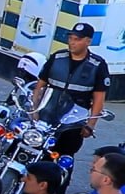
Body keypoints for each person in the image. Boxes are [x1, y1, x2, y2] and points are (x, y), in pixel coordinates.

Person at [29, 21, 110, 156]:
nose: (72, 42)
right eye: (70, 38)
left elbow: (99, 98)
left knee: (65, 156)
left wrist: (91, 124)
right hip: (46, 116)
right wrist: (34, 110)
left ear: (88, 41)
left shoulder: (97, 65)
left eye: (77, 39)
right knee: (35, 151)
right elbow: (39, 86)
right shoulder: (57, 57)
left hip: (73, 122)